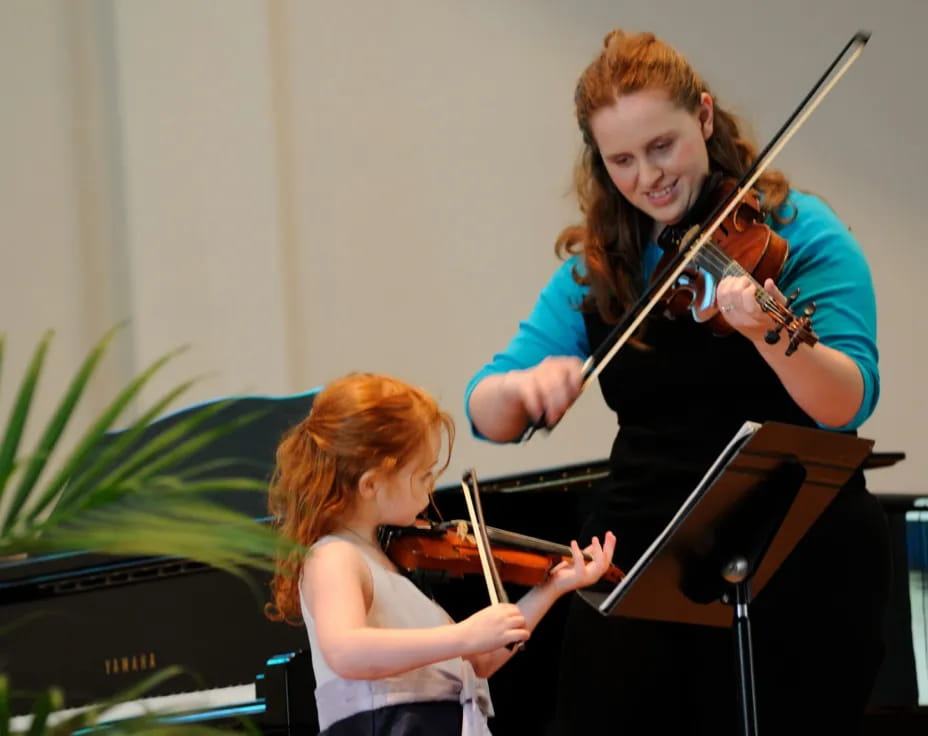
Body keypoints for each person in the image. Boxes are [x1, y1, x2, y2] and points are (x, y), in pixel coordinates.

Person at [465, 29, 891, 735]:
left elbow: (846, 401)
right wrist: (524, 388)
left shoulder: (798, 232)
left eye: (661, 147)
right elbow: (487, 408)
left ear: (703, 115)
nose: (647, 177)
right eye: (621, 160)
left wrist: (764, 329)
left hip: (798, 555)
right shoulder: (602, 266)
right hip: (641, 561)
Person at [265, 372, 616, 736]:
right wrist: (464, 635)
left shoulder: (390, 564)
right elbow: (346, 650)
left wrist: (552, 587)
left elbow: (480, 659)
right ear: (371, 484)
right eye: (422, 476)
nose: (430, 490)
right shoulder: (334, 556)